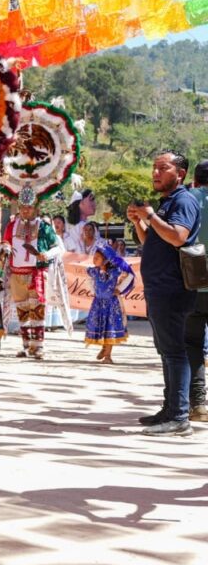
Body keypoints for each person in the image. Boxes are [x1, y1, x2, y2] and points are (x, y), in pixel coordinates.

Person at [127, 150, 201, 437]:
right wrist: (139, 221)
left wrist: (149, 215)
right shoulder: (168, 202)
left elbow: (178, 237)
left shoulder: (184, 200)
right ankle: (170, 410)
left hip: (173, 288)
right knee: (166, 351)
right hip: (160, 287)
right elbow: (152, 240)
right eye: (154, 168)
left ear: (180, 174)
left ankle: (180, 417)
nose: (155, 173)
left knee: (175, 351)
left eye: (163, 168)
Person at [2, 187, 63, 360]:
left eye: (29, 207)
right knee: (22, 310)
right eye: (22, 207)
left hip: (36, 273)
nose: (25, 210)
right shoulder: (12, 225)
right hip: (16, 273)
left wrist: (46, 255)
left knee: (37, 310)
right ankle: (26, 345)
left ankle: (38, 347)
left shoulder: (44, 227)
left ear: (36, 208)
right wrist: (5, 247)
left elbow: (57, 248)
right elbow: (6, 241)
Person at [182, 160, 208, 422]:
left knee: (192, 344)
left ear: (195, 179)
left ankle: (198, 404)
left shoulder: (187, 199)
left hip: (193, 283)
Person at [84, 241, 133, 364]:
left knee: (110, 327)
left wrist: (120, 289)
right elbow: (88, 279)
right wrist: (94, 291)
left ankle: (108, 356)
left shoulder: (115, 271)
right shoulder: (94, 271)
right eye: (94, 257)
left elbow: (130, 275)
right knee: (101, 326)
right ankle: (104, 348)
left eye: (97, 257)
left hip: (112, 304)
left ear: (106, 260)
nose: (94, 259)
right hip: (98, 304)